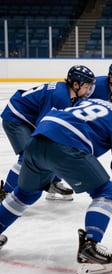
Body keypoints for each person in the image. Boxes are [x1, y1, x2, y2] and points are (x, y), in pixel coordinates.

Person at [0, 83, 112, 274]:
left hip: (37, 139)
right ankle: (90, 250)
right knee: (105, 191)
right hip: (66, 145)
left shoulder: (91, 101)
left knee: (24, 194)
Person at [0, 65, 96, 202]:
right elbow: (44, 126)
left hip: (27, 119)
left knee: (50, 152)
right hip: (16, 117)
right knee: (30, 154)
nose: (88, 90)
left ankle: (53, 183)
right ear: (76, 84)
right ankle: (4, 192)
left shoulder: (72, 95)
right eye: (87, 87)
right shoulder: (60, 96)